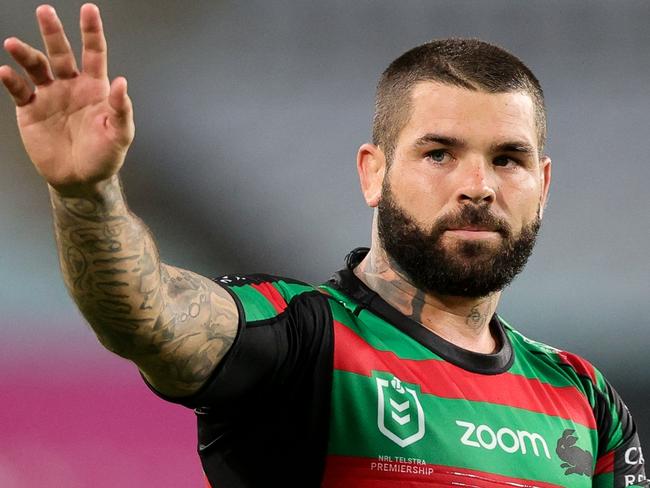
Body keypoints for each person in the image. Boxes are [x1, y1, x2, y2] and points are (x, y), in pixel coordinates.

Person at [1, 3, 646, 487]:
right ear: (372, 172)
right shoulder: (304, 338)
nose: (477, 186)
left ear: (543, 183)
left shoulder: (585, 399)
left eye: (508, 159)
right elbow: (147, 316)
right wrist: (86, 194)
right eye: (440, 154)